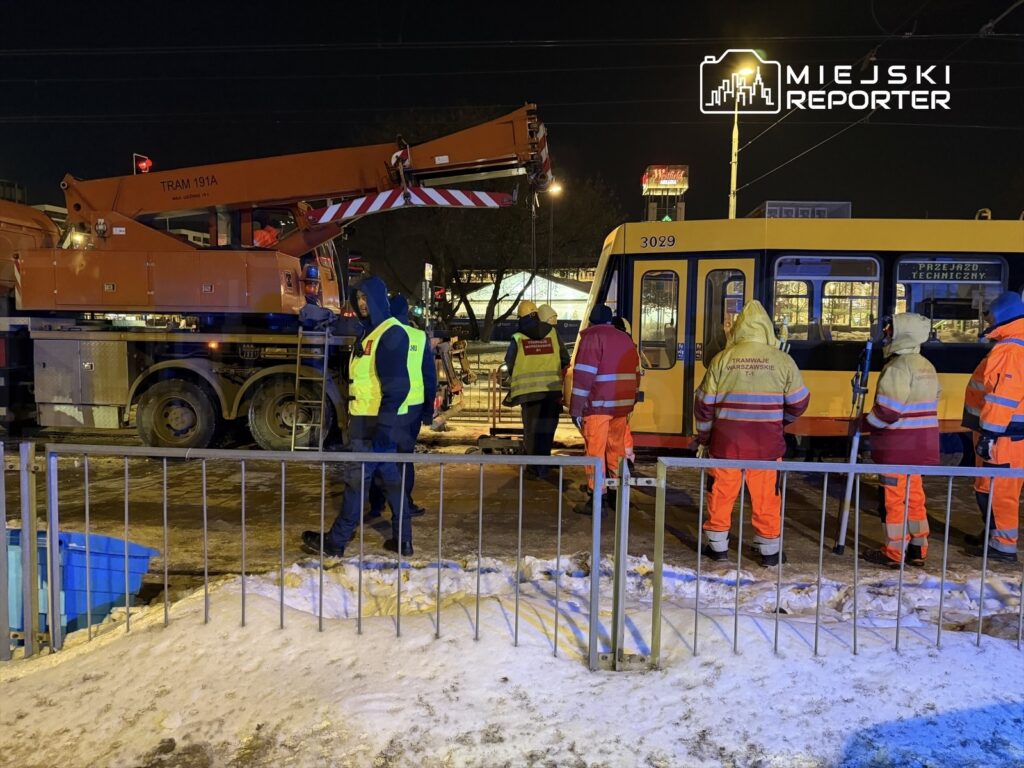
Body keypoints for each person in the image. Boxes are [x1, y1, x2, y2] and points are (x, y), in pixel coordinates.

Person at [301, 276, 413, 557]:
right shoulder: (371, 332)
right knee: (391, 482)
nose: (362, 304)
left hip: (373, 424)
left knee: (355, 482)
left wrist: (383, 428)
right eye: (358, 298)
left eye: (366, 298)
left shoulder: (389, 333)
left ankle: (336, 542)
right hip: (374, 422)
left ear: (378, 298)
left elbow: (399, 386)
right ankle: (403, 539)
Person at [694, 300, 809, 567]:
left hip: (726, 447)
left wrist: (704, 437)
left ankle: (717, 546)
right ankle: (769, 551)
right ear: (767, 329)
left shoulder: (723, 359)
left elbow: (703, 404)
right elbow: (800, 401)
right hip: (766, 448)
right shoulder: (782, 360)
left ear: (737, 328)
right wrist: (781, 422)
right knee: (767, 497)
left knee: (721, 495)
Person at [862, 313, 940, 568]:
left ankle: (894, 552)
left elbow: (887, 411)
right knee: (915, 496)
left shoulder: (897, 367)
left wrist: (864, 423)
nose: (885, 334)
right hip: (922, 445)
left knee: (893, 500)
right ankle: (919, 547)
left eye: (889, 331)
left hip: (898, 447)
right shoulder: (926, 365)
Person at [961, 291, 1024, 563]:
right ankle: (993, 534)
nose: (985, 319)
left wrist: (990, 434)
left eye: (988, 314)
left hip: (1003, 435)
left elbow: (1002, 398)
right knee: (988, 485)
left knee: (1000, 490)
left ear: (1001, 316)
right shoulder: (1012, 345)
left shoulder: (1010, 350)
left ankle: (1004, 546)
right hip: (1000, 432)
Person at [367, 294, 437, 520]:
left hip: (385, 407)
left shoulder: (381, 334)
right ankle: (405, 503)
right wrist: (428, 410)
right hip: (412, 411)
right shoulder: (418, 336)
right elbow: (429, 377)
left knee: (380, 456)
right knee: (404, 458)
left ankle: (376, 505)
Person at [569, 304, 640, 514]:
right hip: (621, 406)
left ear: (591, 320)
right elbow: (635, 374)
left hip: (598, 406)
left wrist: (576, 409)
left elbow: (583, 376)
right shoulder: (625, 339)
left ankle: (597, 500)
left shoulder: (592, 338)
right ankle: (617, 495)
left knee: (595, 453)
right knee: (616, 450)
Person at [505, 299, 568, 477]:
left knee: (531, 430)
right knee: (547, 429)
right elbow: (565, 358)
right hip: (551, 391)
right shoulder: (553, 333)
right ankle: (544, 466)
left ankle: (533, 468)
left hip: (528, 393)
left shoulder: (518, 337)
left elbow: (510, 363)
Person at [611, 315, 637, 469]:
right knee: (623, 431)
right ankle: (626, 461)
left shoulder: (606, 344)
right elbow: (637, 374)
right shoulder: (630, 346)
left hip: (608, 399)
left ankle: (616, 468)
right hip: (625, 399)